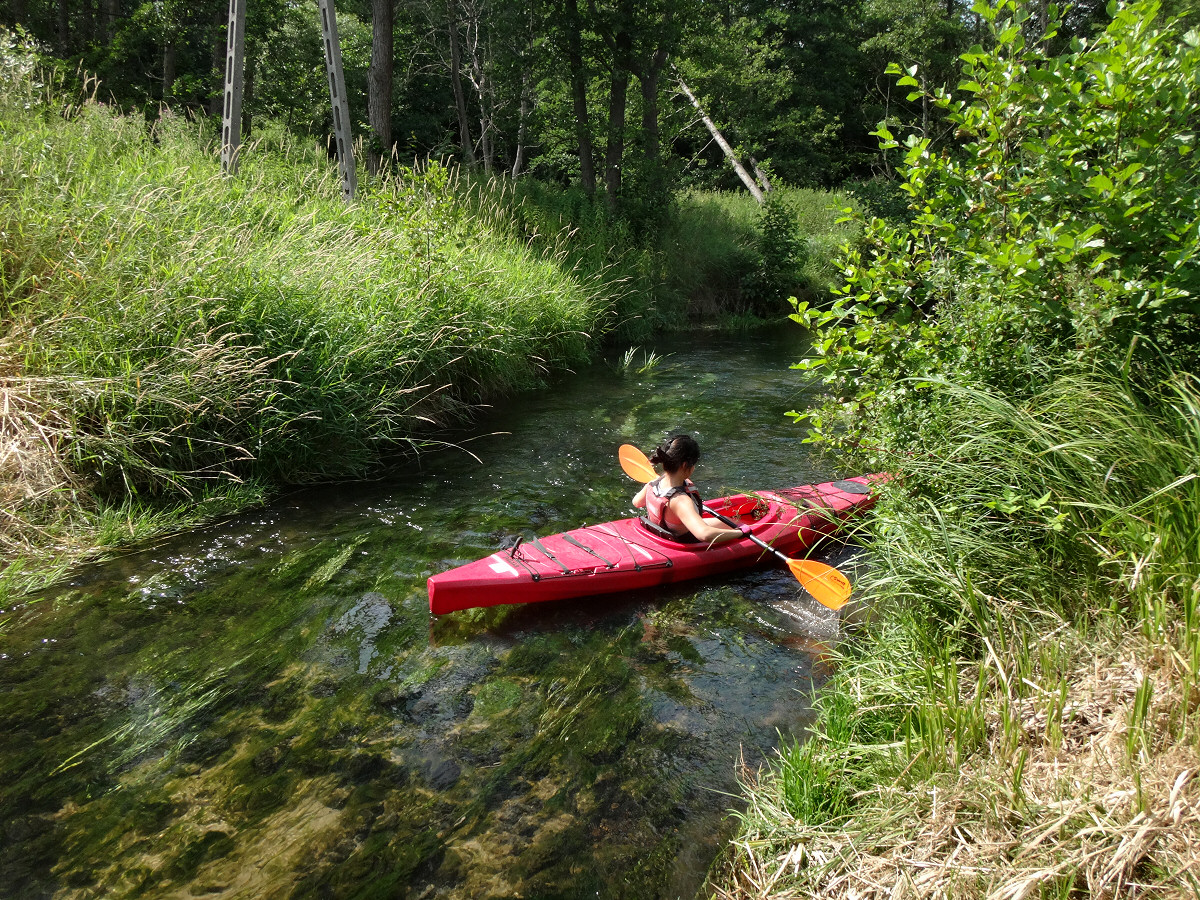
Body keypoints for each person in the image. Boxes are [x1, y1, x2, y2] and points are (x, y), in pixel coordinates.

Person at [631, 434, 752, 545]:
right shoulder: (680, 501)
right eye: (693, 464)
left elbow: (637, 502)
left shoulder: (653, 483)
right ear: (685, 465)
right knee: (736, 525)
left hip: (664, 532)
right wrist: (741, 533)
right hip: (685, 540)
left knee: (727, 521)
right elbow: (704, 534)